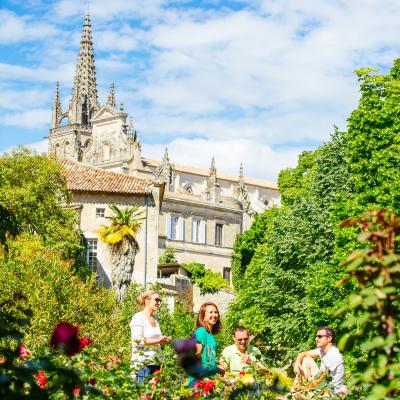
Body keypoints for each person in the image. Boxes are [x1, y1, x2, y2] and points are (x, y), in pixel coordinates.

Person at [129, 290, 171, 383]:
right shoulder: (138, 317)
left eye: (160, 300)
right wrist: (158, 340)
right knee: (141, 393)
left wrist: (164, 340)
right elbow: (137, 341)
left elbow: (157, 343)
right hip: (142, 365)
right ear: (147, 301)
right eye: (156, 300)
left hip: (156, 363)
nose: (159, 303)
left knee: (155, 394)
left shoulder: (155, 319)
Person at [293, 326, 347, 394]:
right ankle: (297, 389)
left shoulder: (333, 355)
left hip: (330, 389)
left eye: (320, 336)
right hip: (321, 382)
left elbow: (321, 380)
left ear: (329, 338)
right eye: (316, 337)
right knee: (306, 359)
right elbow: (304, 353)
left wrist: (306, 388)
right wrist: (297, 362)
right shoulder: (322, 351)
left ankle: (297, 392)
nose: (316, 339)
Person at [188, 302, 222, 388]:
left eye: (216, 312)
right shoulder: (201, 332)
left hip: (209, 378)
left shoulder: (210, 335)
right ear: (203, 315)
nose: (214, 315)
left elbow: (208, 358)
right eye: (211, 312)